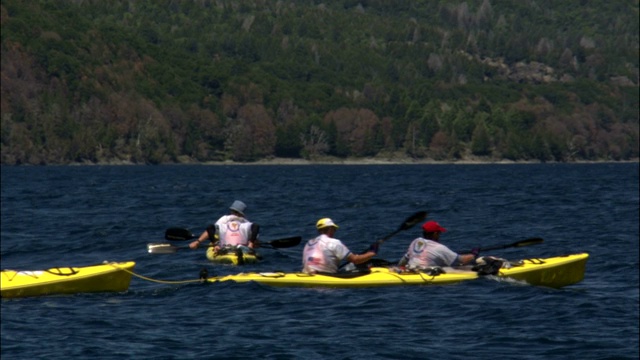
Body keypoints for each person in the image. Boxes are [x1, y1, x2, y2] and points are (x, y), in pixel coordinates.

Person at [302, 218, 378, 274]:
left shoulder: (309, 243)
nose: (335, 231)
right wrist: (372, 252)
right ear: (330, 229)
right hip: (326, 276)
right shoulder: (334, 242)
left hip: (307, 273)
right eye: (334, 229)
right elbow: (355, 260)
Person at [397, 220, 478, 269]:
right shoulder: (439, 248)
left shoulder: (416, 241)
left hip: (411, 269)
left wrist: (398, 268)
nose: (439, 235)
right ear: (435, 234)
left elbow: (405, 259)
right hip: (426, 272)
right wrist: (474, 254)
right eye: (439, 233)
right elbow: (460, 261)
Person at [189, 200, 260, 253]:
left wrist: (198, 242)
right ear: (242, 214)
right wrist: (252, 243)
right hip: (242, 247)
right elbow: (255, 230)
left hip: (224, 247)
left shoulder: (225, 219)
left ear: (232, 211)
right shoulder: (247, 223)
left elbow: (210, 229)